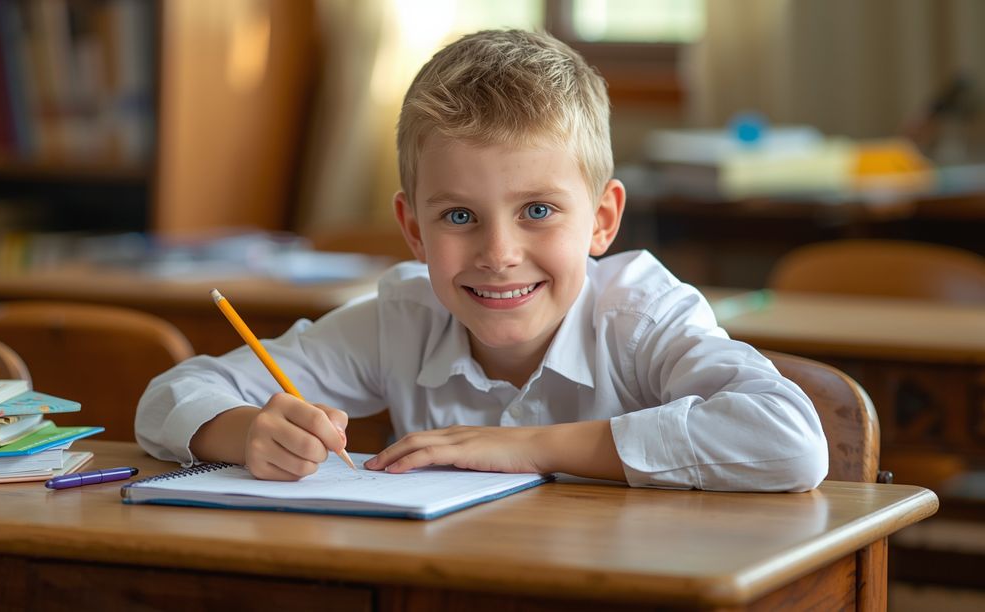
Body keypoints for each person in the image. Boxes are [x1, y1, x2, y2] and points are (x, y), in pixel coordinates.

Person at [136, 29, 827, 491]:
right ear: (412, 229)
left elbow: (791, 439)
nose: (499, 255)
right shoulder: (402, 319)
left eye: (537, 211)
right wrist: (245, 431)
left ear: (603, 220)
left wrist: (532, 447)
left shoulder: (641, 317)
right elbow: (168, 396)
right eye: (459, 217)